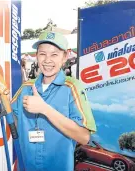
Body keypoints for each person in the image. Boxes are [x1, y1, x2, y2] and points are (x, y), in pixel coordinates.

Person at [10, 31, 97, 171]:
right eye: (42, 54)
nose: (47, 60)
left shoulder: (72, 88)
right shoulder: (26, 87)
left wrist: (45, 109)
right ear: (36, 56)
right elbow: (11, 118)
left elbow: (84, 137)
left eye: (54, 54)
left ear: (65, 57)